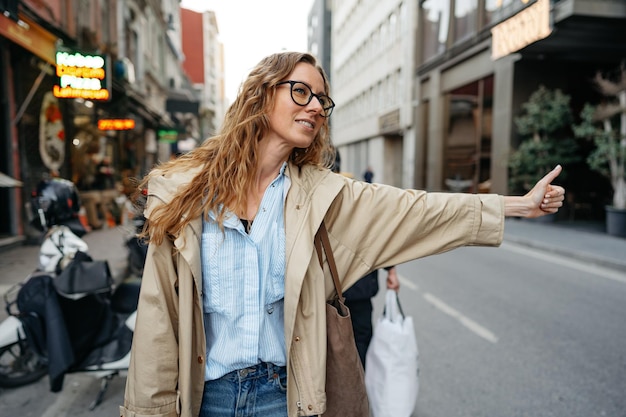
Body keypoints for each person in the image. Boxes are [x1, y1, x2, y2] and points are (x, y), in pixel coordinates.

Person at [120, 51, 565, 417]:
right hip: (205, 399)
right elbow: (158, 318)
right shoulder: (187, 193)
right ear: (260, 95)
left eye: (322, 100)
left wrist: (520, 205)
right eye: (301, 91)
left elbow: (418, 210)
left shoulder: (325, 195)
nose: (315, 105)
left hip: (287, 397)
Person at [344, 266, 399, 366]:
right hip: (359, 288)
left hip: (333, 289)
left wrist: (391, 271)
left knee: (334, 340)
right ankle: (359, 377)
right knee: (360, 340)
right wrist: (392, 272)